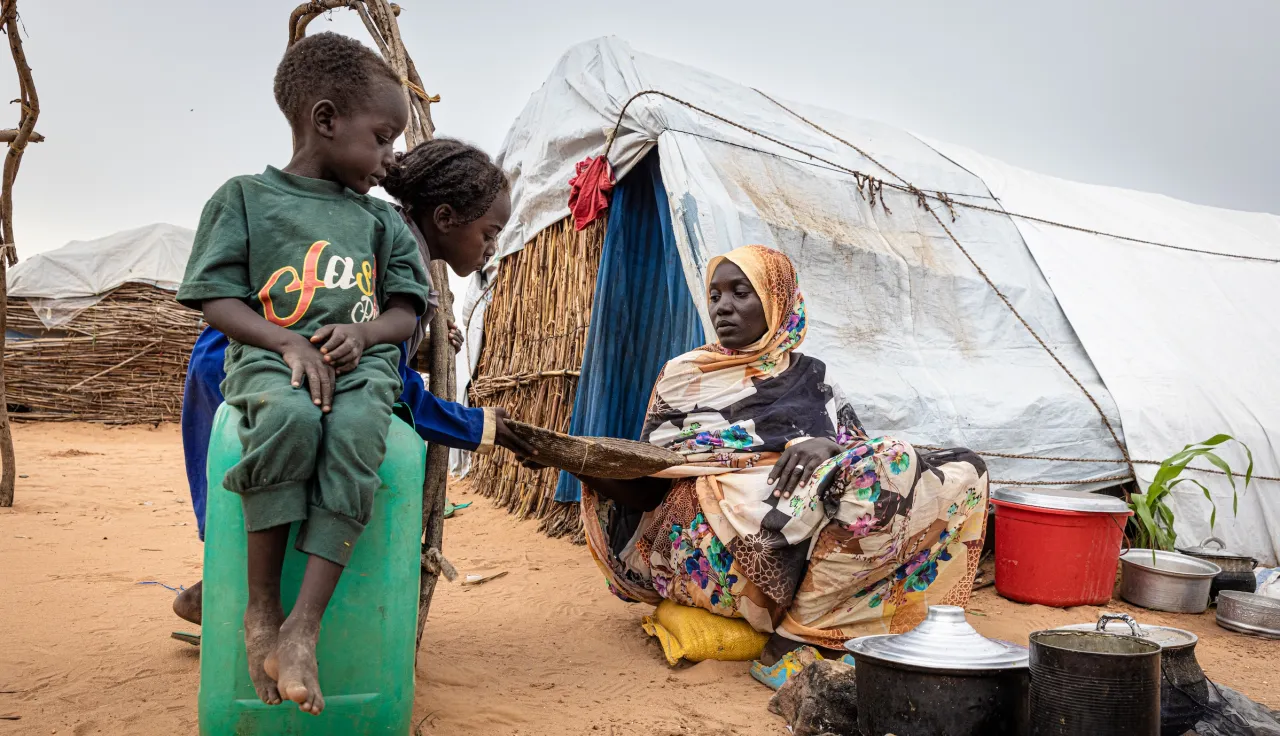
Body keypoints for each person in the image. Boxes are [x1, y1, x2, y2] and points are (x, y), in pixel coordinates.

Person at [174, 33, 531, 715]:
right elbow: (402, 388)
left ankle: (286, 621)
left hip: (331, 370)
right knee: (273, 440)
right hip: (240, 367)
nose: (490, 247)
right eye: (487, 233)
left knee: (348, 432)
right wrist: (479, 427)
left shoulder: (383, 234)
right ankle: (248, 607)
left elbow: (389, 346)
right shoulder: (267, 204)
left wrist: (377, 336)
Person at [549, 244, 989, 670]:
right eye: (716, 295)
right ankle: (793, 640)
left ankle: (807, 620)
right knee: (887, 461)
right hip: (716, 550)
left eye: (741, 292)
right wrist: (569, 457)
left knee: (962, 467)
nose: (723, 306)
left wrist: (830, 447)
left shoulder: (815, 375)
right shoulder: (685, 376)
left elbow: (866, 465)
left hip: (806, 533)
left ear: (778, 301)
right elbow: (651, 483)